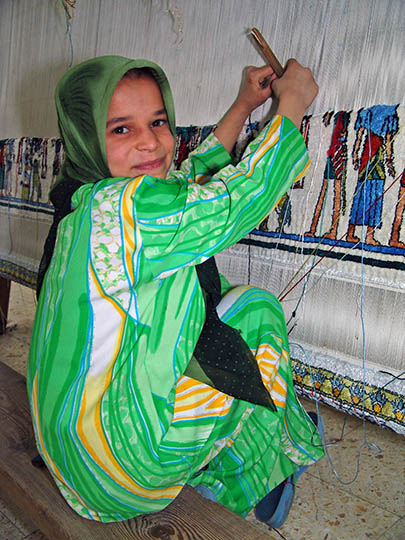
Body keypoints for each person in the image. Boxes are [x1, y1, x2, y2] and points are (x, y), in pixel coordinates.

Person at [28, 54, 324, 525]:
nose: (149, 141)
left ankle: (234, 443)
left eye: (158, 121)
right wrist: (291, 107)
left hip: (75, 460)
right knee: (257, 314)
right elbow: (231, 202)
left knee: (208, 314)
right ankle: (256, 468)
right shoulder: (128, 210)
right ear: (87, 135)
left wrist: (244, 107)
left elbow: (186, 184)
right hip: (126, 471)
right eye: (121, 129)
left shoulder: (82, 202)